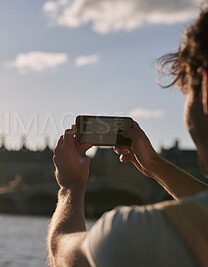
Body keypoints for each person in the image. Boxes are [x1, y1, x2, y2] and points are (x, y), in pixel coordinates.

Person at [47, 7, 208, 267]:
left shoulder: (131, 235)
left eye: (187, 94)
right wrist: (155, 166)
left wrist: (70, 188)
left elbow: (61, 252)